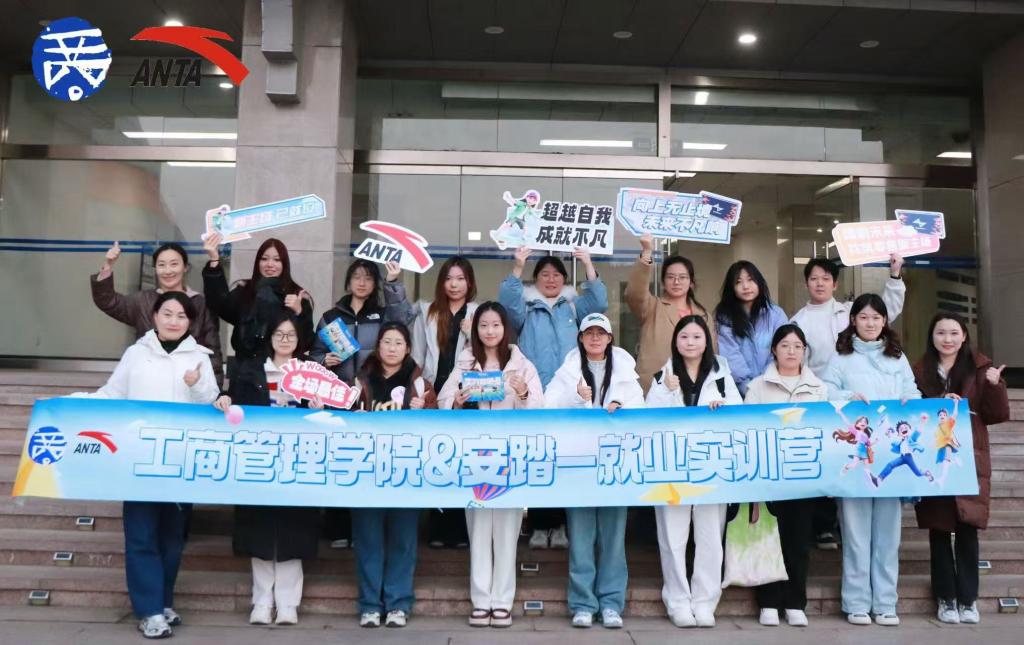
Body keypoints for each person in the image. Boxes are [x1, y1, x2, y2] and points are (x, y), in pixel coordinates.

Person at [72, 292, 219, 639]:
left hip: (180, 461)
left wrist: (196, 385)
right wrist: (74, 403)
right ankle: (149, 610)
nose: (173, 321)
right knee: (141, 535)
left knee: (172, 537)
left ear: (190, 322)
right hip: (139, 459)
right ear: (154, 316)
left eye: (181, 316)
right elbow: (112, 394)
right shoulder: (136, 354)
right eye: (167, 313)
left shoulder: (199, 357)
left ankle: (163, 602)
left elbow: (212, 403)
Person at [437, 302, 544, 628]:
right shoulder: (465, 363)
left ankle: (502, 602)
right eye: (483, 325)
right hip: (475, 458)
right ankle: (481, 601)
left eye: (496, 325)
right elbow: (443, 400)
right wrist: (456, 400)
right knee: (479, 532)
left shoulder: (522, 365)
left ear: (505, 328)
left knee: (507, 533)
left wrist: (523, 395)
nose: (489, 331)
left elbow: (540, 411)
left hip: (510, 459)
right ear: (475, 329)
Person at [212, 312, 321, 626]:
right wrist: (224, 398)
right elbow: (233, 401)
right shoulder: (250, 369)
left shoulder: (310, 373)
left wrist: (318, 406)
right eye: (279, 334)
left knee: (292, 532)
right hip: (258, 461)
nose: (285, 340)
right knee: (259, 531)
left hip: (298, 462)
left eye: (291, 335)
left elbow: (327, 417)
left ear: (299, 340)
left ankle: (288, 603)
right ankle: (261, 601)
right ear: (269, 337)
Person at [791, 255, 905, 550]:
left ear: (835, 283)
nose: (819, 283)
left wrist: (894, 276)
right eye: (814, 278)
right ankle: (825, 526)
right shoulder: (798, 321)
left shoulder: (848, 312)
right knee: (833, 465)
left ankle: (842, 527)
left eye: (825, 278)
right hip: (825, 402)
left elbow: (886, 310)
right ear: (806, 283)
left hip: (868, 412)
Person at [821, 293, 921, 627]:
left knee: (888, 536)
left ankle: (886, 603)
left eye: (876, 317)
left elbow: (912, 392)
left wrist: (910, 402)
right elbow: (824, 393)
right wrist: (846, 396)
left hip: (889, 454)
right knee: (855, 534)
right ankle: (857, 602)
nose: (870, 323)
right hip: (857, 455)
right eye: (863, 317)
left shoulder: (897, 356)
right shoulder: (841, 357)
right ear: (853, 320)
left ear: (884, 321)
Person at [499, 246, 607, 550]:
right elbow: (506, 303)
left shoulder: (572, 306)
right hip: (534, 395)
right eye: (544, 274)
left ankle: (560, 525)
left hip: (569, 395)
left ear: (564, 279)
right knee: (538, 459)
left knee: (566, 460)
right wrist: (518, 265)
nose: (551, 279)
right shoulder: (526, 308)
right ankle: (538, 524)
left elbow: (599, 303)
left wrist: (588, 262)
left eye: (557, 274)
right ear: (535, 279)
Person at [544, 313, 644, 629]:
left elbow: (640, 410)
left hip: (616, 464)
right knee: (581, 536)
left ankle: (612, 603)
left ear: (610, 338)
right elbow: (548, 406)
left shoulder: (625, 371)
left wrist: (621, 407)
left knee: (613, 537)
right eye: (590, 333)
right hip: (579, 463)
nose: (595, 338)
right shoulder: (567, 371)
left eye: (601, 333)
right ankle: (583, 603)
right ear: (581, 338)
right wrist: (576, 398)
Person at [308, 258, 412, 549]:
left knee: (367, 463)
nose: (362, 282)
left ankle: (365, 531)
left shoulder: (382, 315)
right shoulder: (331, 317)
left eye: (368, 277)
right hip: (338, 398)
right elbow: (313, 354)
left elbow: (402, 321)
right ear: (348, 281)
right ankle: (338, 529)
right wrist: (323, 360)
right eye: (357, 276)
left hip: (372, 400)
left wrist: (393, 284)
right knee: (339, 462)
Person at [646, 315, 742, 628]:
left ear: (706, 341)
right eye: (684, 337)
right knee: (673, 538)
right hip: (671, 468)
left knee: (710, 536)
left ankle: (705, 602)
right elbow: (648, 419)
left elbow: (739, 416)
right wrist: (666, 391)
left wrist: (722, 408)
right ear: (675, 341)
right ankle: (677, 601)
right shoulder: (662, 375)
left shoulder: (722, 376)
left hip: (711, 467)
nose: (690, 342)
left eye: (697, 337)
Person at [912, 313, 1009, 625]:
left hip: (969, 456)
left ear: (964, 336)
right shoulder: (919, 370)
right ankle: (946, 598)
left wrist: (994, 386)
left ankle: (968, 599)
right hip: (935, 456)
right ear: (932, 337)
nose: (948, 339)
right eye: (941, 332)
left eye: (954, 333)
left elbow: (996, 415)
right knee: (939, 528)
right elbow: (912, 412)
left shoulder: (980, 369)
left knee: (967, 528)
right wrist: (938, 402)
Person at [351, 322, 437, 628]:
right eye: (386, 342)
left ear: (408, 349)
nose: (392, 348)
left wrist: (425, 409)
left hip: (406, 474)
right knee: (368, 540)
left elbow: (438, 426)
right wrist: (353, 415)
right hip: (366, 474)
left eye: (398, 343)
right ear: (378, 346)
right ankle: (370, 605)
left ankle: (398, 603)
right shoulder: (360, 380)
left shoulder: (420, 384)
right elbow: (340, 417)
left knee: (403, 541)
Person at [742, 324, 828, 627]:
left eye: (797, 346)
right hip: (768, 475)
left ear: (804, 351)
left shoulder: (818, 388)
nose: (791, 351)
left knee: (798, 540)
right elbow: (748, 428)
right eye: (785, 346)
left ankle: (795, 602)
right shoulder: (758, 386)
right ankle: (768, 601)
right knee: (768, 539)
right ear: (773, 350)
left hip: (803, 475)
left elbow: (824, 430)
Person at [411, 256, 478, 549]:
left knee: (463, 460)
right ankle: (436, 529)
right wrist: (420, 391)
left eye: (460, 278)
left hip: (466, 396)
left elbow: (485, 352)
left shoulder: (476, 312)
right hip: (434, 394)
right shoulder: (428, 312)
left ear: (469, 283)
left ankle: (460, 530)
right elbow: (417, 356)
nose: (454, 284)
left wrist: (471, 332)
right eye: (449, 278)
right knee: (436, 459)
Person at [91, 240, 223, 383]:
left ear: (185, 267)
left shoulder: (201, 303)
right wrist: (108, 264)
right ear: (155, 269)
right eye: (161, 265)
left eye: (174, 264)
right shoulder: (142, 301)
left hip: (189, 382)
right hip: (149, 380)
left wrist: (215, 389)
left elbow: (212, 349)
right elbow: (108, 301)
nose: (168, 271)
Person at [627, 233, 709, 393]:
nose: (676, 282)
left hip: (695, 390)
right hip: (655, 388)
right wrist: (647, 252)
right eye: (671, 277)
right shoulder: (652, 306)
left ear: (691, 283)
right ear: (663, 282)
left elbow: (712, 354)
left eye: (682, 277)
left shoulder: (703, 315)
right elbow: (634, 294)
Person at [713, 261, 788, 397]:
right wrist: (750, 390)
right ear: (731, 287)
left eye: (750, 280)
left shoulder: (776, 315)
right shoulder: (724, 318)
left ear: (759, 282)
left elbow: (782, 349)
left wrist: (766, 384)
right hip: (739, 391)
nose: (746, 286)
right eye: (738, 282)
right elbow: (730, 355)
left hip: (774, 386)